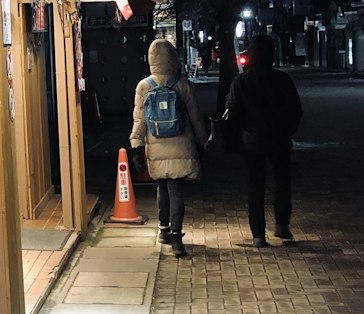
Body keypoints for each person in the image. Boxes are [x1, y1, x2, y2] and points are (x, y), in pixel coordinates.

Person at [223, 32, 303, 248]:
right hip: (279, 138)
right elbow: (295, 109)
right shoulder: (282, 80)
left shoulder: (242, 81)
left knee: (255, 186)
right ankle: (282, 225)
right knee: (282, 181)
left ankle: (258, 234)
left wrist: (238, 134)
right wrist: (287, 130)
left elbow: (234, 112)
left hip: (252, 140)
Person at [130, 38, 208, 258]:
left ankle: (163, 231)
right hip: (181, 143)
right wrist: (202, 141)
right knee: (176, 190)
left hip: (156, 145)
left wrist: (137, 145)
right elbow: (195, 117)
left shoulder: (144, 85)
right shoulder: (182, 84)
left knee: (162, 187)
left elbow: (139, 119)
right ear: (172, 57)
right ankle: (176, 238)